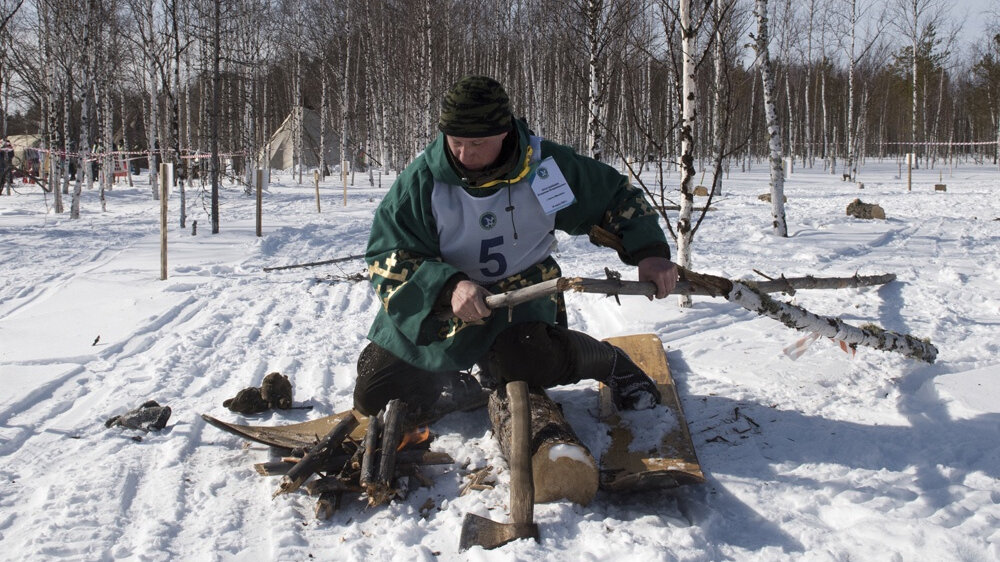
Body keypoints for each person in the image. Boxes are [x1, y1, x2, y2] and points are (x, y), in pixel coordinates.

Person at [353, 76, 679, 425]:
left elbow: (615, 197)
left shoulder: (543, 167)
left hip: (520, 298)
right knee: (375, 396)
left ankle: (608, 361)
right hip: (444, 307)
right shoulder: (423, 183)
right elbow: (389, 256)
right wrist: (448, 286)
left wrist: (649, 252)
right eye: (456, 141)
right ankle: (456, 383)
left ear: (505, 132)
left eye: (477, 143)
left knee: (524, 361)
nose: (464, 154)